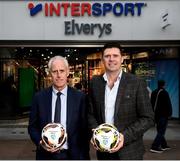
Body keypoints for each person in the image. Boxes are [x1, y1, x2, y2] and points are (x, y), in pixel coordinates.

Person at [88, 43, 154, 160]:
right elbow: (90, 113)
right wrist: (95, 131)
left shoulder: (136, 83)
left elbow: (148, 118)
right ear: (102, 59)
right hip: (103, 150)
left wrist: (124, 137)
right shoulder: (95, 83)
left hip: (129, 152)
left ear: (122, 58)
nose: (111, 59)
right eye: (107, 56)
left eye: (115, 55)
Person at [28, 55, 89, 160]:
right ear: (50, 73)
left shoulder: (80, 98)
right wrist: (41, 142)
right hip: (46, 155)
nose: (58, 75)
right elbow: (32, 127)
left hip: (73, 155)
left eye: (62, 71)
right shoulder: (39, 97)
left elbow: (85, 129)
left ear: (67, 72)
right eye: (54, 71)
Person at [150, 80, 172, 153]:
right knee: (161, 131)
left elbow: (151, 103)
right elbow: (168, 104)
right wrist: (170, 114)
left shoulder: (154, 92)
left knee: (160, 130)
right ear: (164, 85)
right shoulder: (164, 93)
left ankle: (164, 145)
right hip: (163, 115)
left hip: (156, 115)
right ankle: (154, 146)